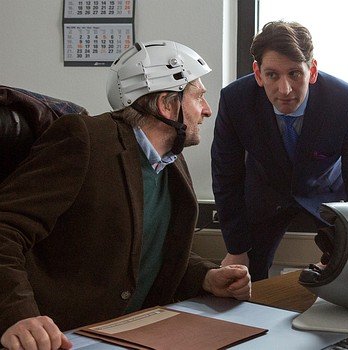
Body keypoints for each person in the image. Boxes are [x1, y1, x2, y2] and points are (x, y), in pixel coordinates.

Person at [0, 40, 251, 350]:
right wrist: (17, 314)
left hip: (135, 332)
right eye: (198, 96)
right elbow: (5, 228)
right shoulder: (85, 140)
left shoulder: (170, 160)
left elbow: (145, 251)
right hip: (61, 338)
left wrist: (207, 277)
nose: (207, 110)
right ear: (167, 104)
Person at [212, 21, 348, 281]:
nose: (284, 90)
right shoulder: (235, 100)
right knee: (247, 273)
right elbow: (225, 174)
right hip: (265, 192)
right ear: (258, 73)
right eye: (272, 75)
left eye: (295, 74)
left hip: (326, 192)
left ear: (313, 71)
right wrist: (236, 249)